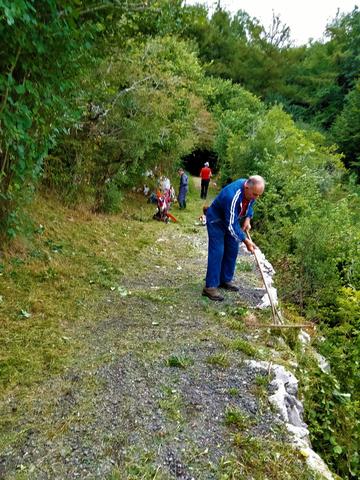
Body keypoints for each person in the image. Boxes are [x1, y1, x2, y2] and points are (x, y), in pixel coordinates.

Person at [202, 175, 265, 301]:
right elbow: (231, 225)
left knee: (232, 249)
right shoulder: (232, 196)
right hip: (217, 220)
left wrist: (247, 219)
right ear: (246, 187)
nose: (256, 198)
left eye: (259, 195)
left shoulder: (250, 192)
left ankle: (225, 280)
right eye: (255, 194)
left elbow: (250, 205)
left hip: (231, 219)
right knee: (218, 251)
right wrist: (246, 241)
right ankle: (210, 287)